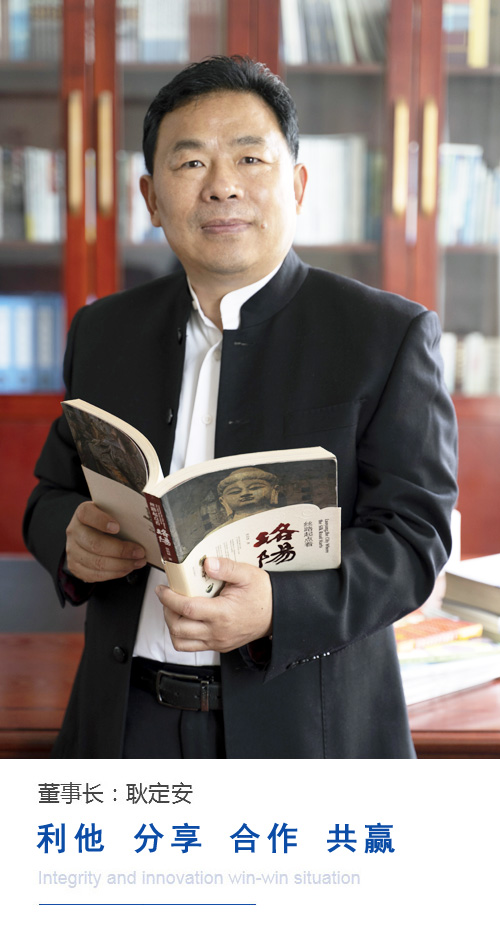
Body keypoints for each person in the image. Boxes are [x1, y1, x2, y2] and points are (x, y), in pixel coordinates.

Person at [23, 55, 458, 759]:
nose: (222, 186)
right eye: (190, 163)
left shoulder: (385, 335)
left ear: (297, 185)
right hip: (126, 724)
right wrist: (71, 539)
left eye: (250, 158)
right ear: (151, 198)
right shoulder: (104, 331)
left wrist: (279, 608)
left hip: (308, 733)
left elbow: (414, 539)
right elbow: (51, 493)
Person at [217, 466, 281, 524]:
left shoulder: (283, 516)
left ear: (275, 490)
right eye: (235, 492)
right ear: (223, 501)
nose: (245, 493)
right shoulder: (223, 530)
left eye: (254, 488)